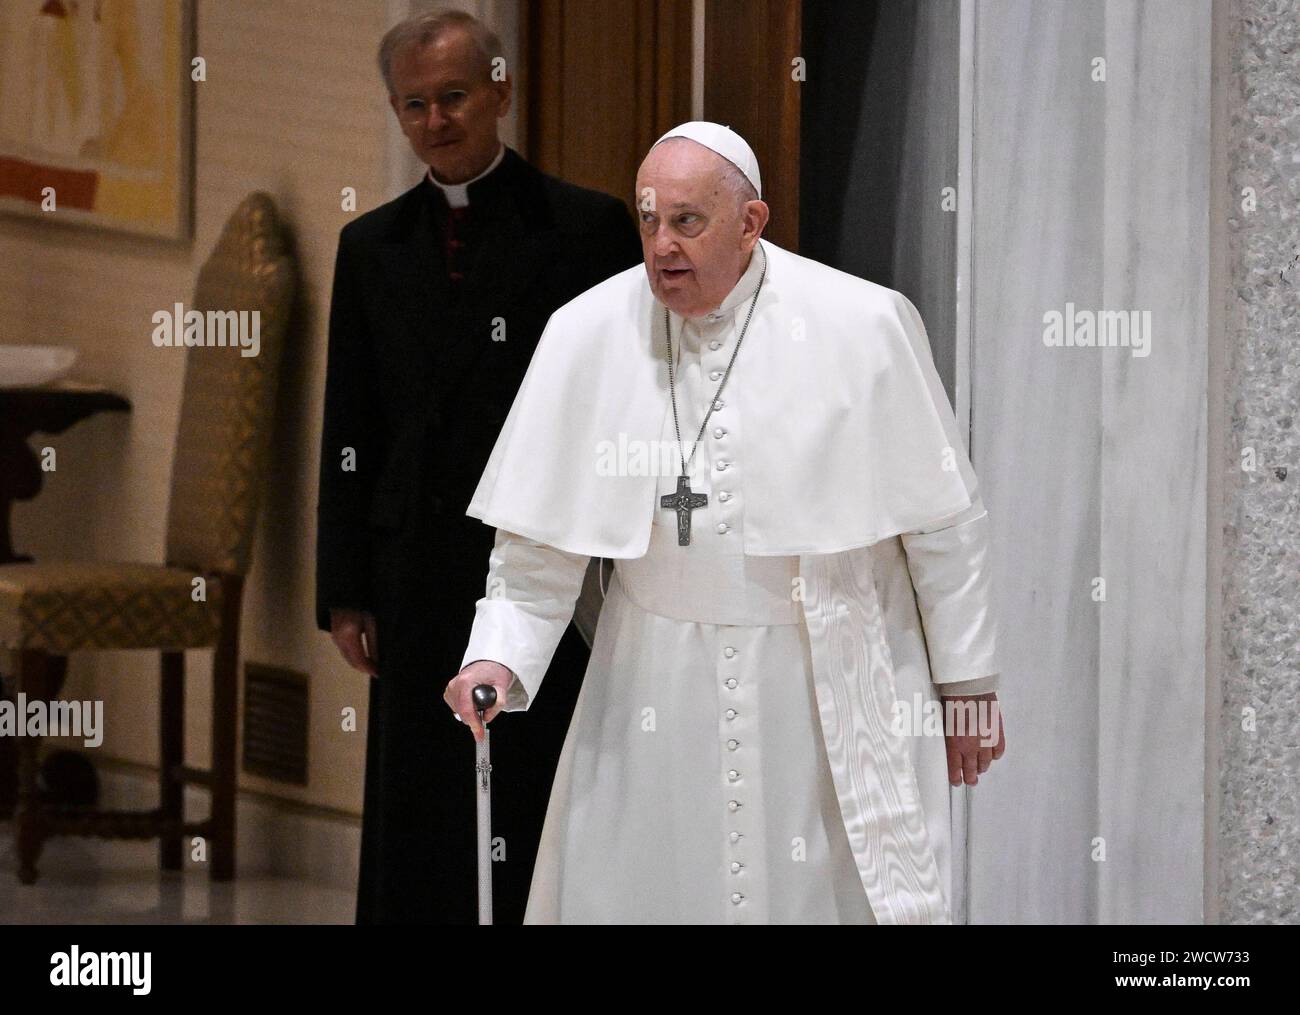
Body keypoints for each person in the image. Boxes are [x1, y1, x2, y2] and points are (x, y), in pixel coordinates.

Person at [444, 122, 1007, 924]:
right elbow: (537, 546)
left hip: (820, 677)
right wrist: (495, 656)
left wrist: (969, 687)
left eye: (687, 221)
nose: (661, 246)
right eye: (647, 220)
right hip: (652, 679)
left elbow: (944, 527)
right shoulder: (587, 332)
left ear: (751, 222)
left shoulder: (863, 324)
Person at [315, 9, 641, 924]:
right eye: (413, 105)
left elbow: (623, 398)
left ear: (499, 89)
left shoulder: (584, 228)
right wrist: (344, 587)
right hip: (412, 560)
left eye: (453, 97)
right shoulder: (370, 246)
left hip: (540, 553)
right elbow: (350, 422)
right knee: (420, 790)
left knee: (533, 778)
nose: (435, 121)